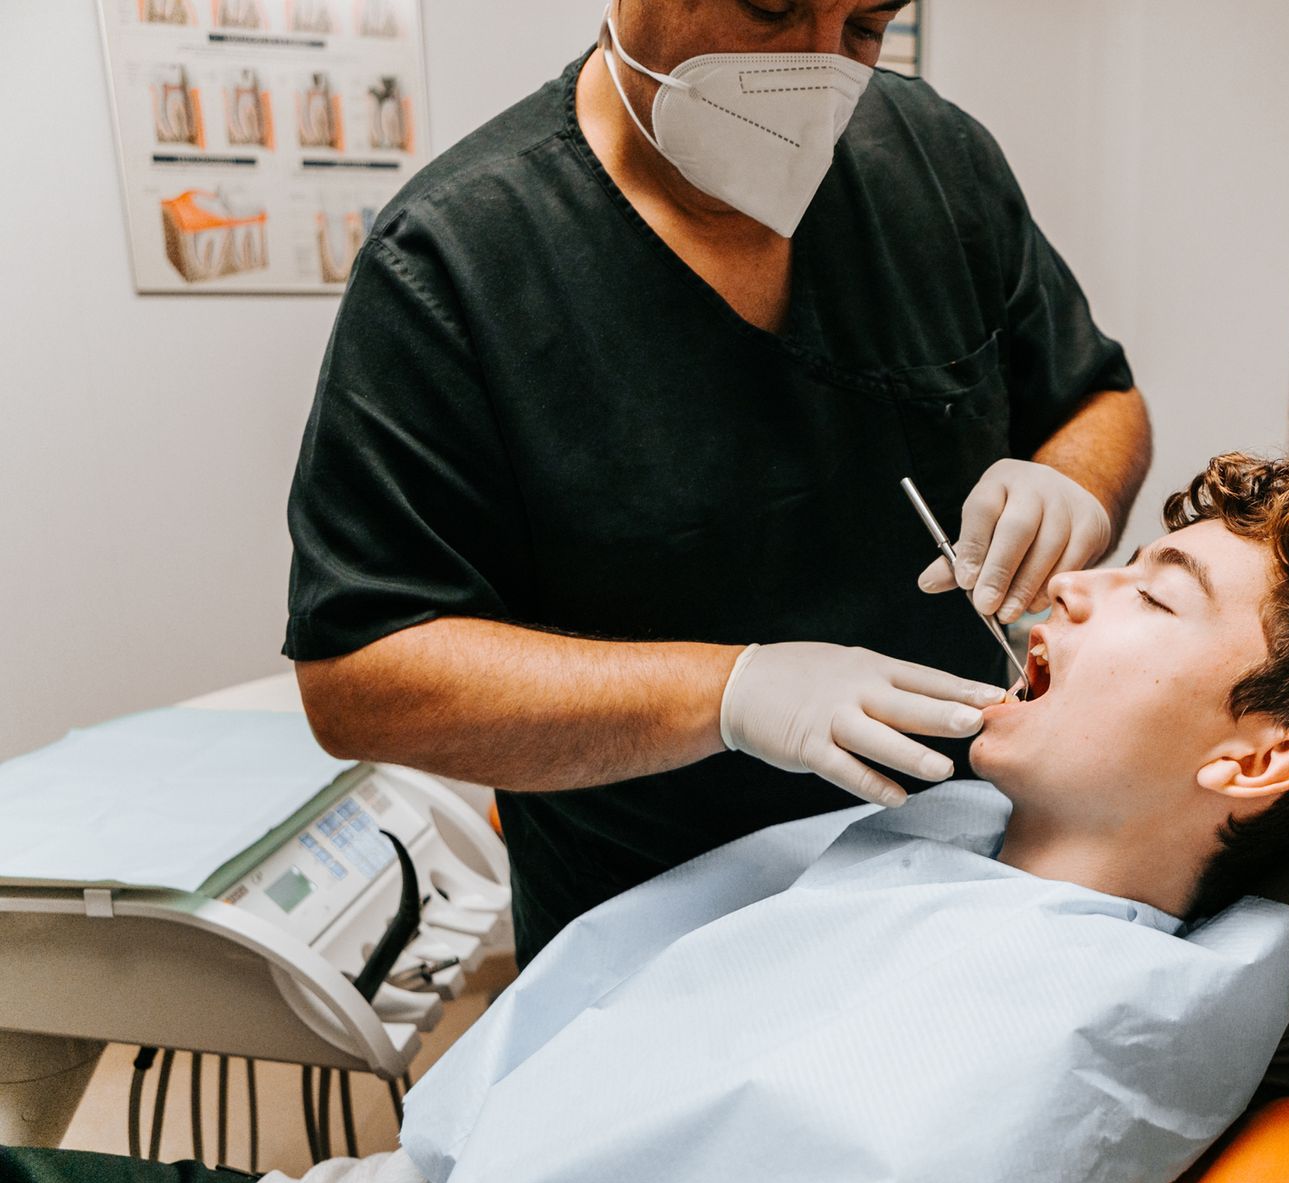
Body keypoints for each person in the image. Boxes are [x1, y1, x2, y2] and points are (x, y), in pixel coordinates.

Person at [3, 456, 1289, 1183]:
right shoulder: (961, 854)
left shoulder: (1051, 1046)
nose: (1069, 584)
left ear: (1256, 762)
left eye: (1154, 590)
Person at [285, 0, 1153, 968]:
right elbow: (362, 675)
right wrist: (729, 693)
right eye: (771, 8)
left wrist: (1068, 484)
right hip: (651, 949)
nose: (819, 69)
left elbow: (1099, 399)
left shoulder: (934, 161)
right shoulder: (456, 264)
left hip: (947, 893)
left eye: (864, 24)